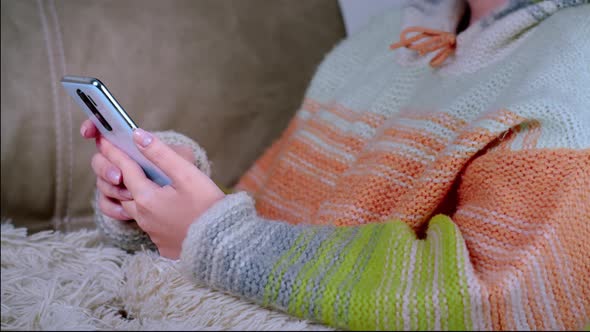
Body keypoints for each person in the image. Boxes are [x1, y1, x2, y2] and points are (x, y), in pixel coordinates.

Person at [79, 0, 590, 330]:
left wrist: (214, 238)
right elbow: (267, 216)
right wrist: (160, 197)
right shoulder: (392, 34)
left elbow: (505, 301)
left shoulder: (576, 58)